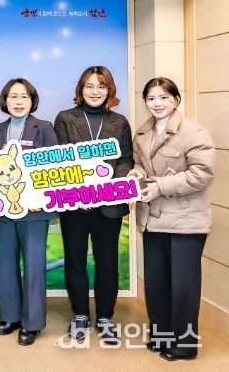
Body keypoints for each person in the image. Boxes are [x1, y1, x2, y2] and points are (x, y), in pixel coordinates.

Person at [128, 77, 214, 362]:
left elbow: (201, 174)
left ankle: (185, 346)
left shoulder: (193, 132)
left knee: (183, 287)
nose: (157, 103)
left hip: (186, 221)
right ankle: (162, 335)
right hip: (153, 219)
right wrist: (136, 174)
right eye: (151, 98)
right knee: (156, 284)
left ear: (176, 99)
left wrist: (159, 187)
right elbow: (141, 164)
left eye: (163, 97)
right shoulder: (142, 133)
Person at [53, 65, 133, 344]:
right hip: (75, 205)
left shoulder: (119, 122)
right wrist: (81, 193)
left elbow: (125, 160)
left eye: (101, 86)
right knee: (75, 260)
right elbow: (60, 159)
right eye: (89, 86)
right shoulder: (65, 118)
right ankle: (80, 316)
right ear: (81, 89)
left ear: (109, 90)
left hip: (108, 205)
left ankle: (105, 318)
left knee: (107, 262)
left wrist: (107, 190)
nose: (95, 91)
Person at [0, 78, 58, 346]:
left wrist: (41, 196)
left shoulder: (44, 128)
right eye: (13, 96)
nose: (18, 102)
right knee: (5, 264)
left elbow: (54, 167)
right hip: (6, 210)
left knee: (33, 265)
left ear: (32, 101)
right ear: (5, 100)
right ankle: (10, 316)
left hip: (35, 210)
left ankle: (32, 323)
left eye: (24, 97)